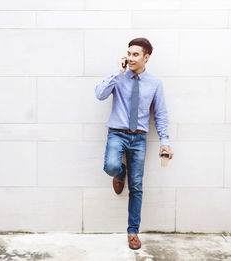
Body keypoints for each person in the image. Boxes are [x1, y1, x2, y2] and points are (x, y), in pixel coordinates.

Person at [94, 37, 174, 250]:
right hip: (117, 134)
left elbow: (160, 114)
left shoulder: (155, 84)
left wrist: (165, 142)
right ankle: (120, 173)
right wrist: (116, 73)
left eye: (135, 54)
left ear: (146, 57)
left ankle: (133, 231)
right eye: (128, 53)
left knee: (136, 186)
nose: (130, 58)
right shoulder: (118, 78)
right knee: (111, 166)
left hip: (139, 138)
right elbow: (99, 94)